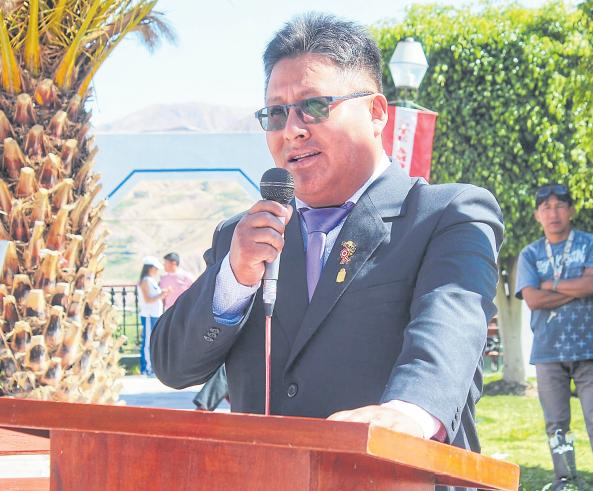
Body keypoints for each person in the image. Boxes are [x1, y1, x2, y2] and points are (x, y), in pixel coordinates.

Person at [151, 11, 503, 468]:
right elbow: (172, 365)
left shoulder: (446, 215)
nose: (291, 129)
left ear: (376, 112)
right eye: (276, 113)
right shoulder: (242, 237)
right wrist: (234, 279)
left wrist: (407, 413)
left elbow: (451, 331)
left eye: (313, 106)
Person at [515, 184, 593, 491]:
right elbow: (532, 299)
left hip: (589, 348)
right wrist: (575, 288)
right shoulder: (530, 253)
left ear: (571, 210)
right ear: (537, 215)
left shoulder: (588, 243)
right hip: (548, 350)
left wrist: (551, 284)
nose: (553, 213)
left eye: (560, 205)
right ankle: (566, 478)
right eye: (546, 207)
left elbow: (591, 286)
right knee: (556, 422)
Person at [138, 256, 169, 376]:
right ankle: (147, 368)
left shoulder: (150, 280)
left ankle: (150, 367)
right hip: (149, 315)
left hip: (155, 314)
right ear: (150, 268)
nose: (157, 271)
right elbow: (148, 299)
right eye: (156, 269)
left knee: (152, 340)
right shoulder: (145, 280)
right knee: (148, 341)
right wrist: (161, 295)